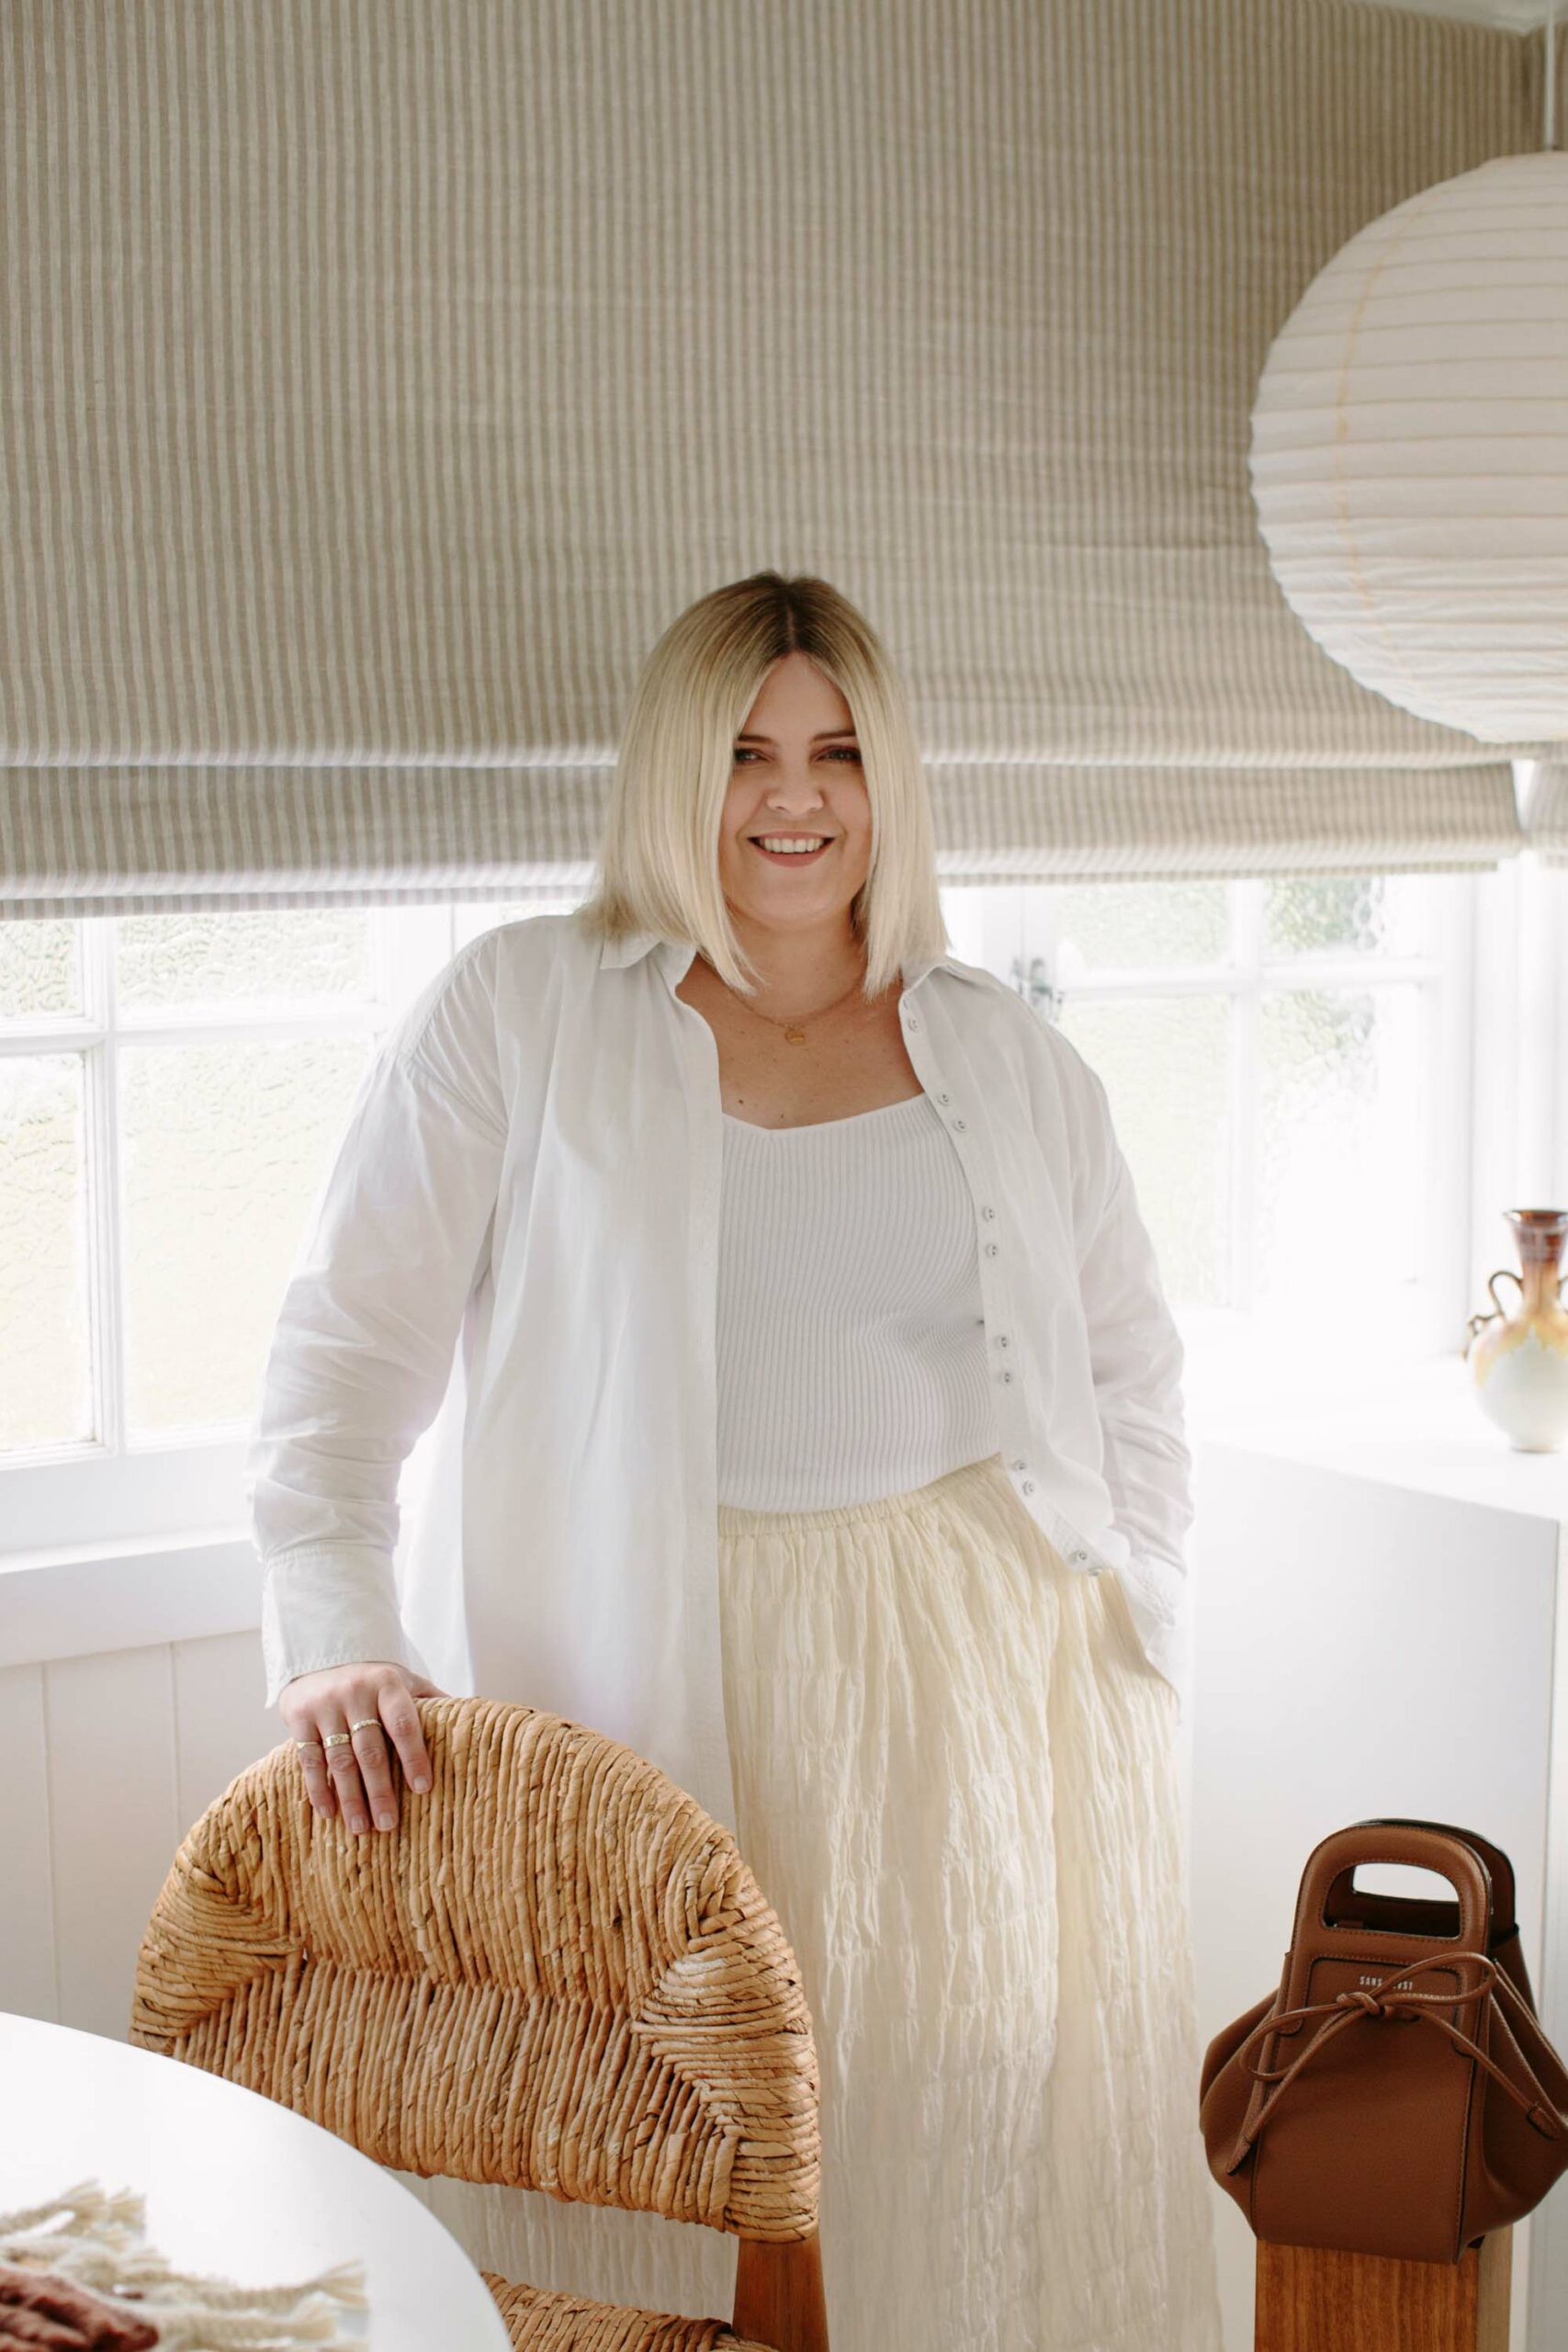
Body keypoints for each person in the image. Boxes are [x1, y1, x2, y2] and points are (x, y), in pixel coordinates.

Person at [246, 571, 1225, 2351]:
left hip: (975, 1668)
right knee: (659, 2137)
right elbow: (339, 1351)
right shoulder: (521, 1006)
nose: (794, 796)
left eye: (839, 750)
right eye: (745, 751)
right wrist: (332, 1627)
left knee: (948, 2112)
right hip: (646, 1658)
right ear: (666, 774)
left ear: (888, 777)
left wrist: (1128, 1589)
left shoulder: (998, 1043)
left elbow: (1126, 1357)